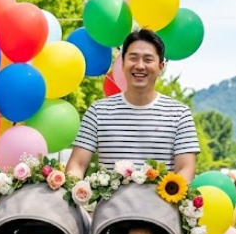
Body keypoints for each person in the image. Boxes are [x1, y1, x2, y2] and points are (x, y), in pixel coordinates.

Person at [67, 29, 200, 180]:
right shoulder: (98, 111)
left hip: (160, 202)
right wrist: (76, 191)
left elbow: (185, 169)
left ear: (161, 67)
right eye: (133, 58)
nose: (140, 66)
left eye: (148, 59)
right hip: (108, 204)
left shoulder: (180, 114)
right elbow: (77, 165)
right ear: (122, 63)